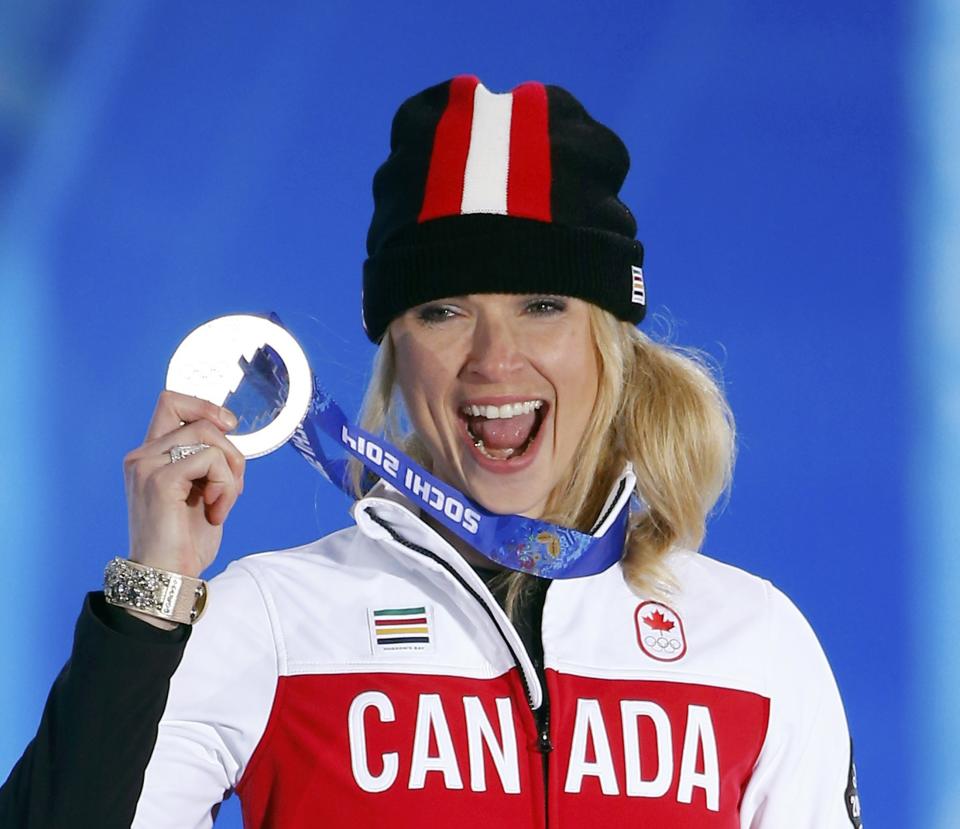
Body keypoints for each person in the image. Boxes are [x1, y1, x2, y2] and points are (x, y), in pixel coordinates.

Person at [0, 76, 862, 828]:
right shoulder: (276, 621)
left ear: (611, 341)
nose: (494, 359)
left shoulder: (753, 644)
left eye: (542, 304)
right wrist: (153, 600)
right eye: (443, 311)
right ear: (395, 351)